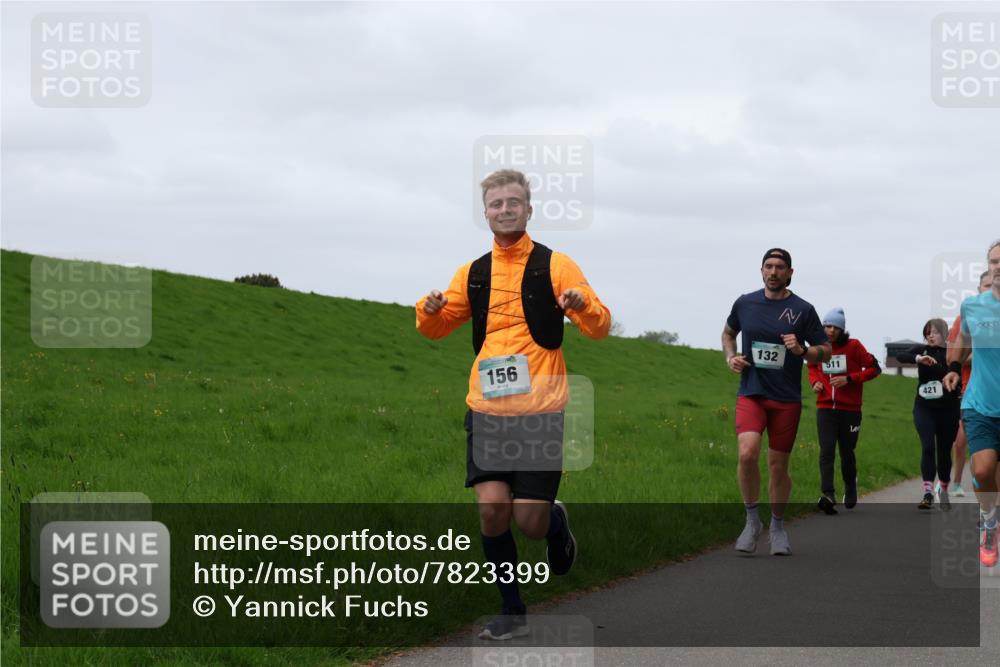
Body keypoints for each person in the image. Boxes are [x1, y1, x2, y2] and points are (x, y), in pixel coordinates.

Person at [416, 169, 611, 638]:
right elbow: (436, 329)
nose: (505, 209)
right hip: (486, 410)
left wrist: (581, 303)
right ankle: (511, 610)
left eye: (513, 202)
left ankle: (556, 522)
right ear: (485, 212)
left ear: (528, 209)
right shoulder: (472, 273)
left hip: (541, 413)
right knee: (491, 510)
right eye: (496, 204)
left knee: (529, 520)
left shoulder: (555, 264)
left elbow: (599, 325)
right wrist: (429, 310)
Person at [722, 249, 831, 556]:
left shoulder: (803, 309)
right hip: (752, 392)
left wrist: (802, 351)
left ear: (790, 273)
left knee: (777, 466)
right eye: (768, 267)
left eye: (779, 267)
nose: (773, 272)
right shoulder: (745, 303)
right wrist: (730, 357)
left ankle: (778, 527)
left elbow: (826, 351)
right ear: (761, 271)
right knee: (747, 453)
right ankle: (752, 521)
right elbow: (728, 333)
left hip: (785, 398)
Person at [945, 239, 1000, 568]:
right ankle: (989, 522)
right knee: (981, 470)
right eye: (994, 261)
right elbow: (964, 338)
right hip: (979, 402)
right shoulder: (973, 306)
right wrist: (953, 368)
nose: (999, 266)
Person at [807, 308, 881, 514]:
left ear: (842, 330)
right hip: (825, 408)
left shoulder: (854, 346)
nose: (830, 331)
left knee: (847, 452)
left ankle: (850, 486)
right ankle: (828, 494)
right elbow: (812, 367)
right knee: (827, 450)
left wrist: (848, 379)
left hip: (850, 409)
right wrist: (815, 382)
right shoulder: (819, 347)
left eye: (835, 327)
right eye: (827, 326)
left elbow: (875, 369)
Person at [896, 319, 961, 510]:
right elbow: (901, 356)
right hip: (924, 408)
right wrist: (918, 359)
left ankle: (944, 489)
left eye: (934, 332)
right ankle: (927, 492)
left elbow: (956, 372)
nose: (930, 336)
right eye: (927, 332)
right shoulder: (921, 350)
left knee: (943, 451)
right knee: (927, 447)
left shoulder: (951, 353)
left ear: (944, 333)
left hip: (948, 409)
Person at [944, 270, 993, 497]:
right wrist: (962, 362)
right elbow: (952, 354)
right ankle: (954, 481)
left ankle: (991, 517)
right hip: (969, 392)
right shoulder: (968, 314)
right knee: (963, 442)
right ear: (979, 289)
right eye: (986, 285)